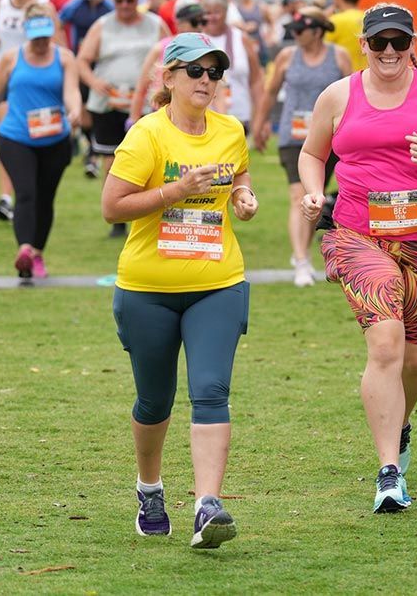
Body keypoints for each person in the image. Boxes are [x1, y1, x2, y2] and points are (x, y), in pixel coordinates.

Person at [298, 3, 417, 513]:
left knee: (416, 357)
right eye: (379, 42)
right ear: (364, 45)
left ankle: (399, 425)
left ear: (412, 44)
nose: (389, 51)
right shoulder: (338, 95)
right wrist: (313, 191)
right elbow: (312, 153)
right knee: (385, 344)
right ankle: (388, 473)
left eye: (399, 42)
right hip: (361, 236)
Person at [101, 32, 258, 549]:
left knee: (211, 391)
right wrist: (175, 191)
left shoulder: (230, 130)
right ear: (168, 78)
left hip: (218, 283)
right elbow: (112, 207)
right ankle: (149, 488)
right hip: (147, 289)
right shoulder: (146, 136)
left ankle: (207, 505)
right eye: (195, 70)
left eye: (215, 72)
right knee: (154, 400)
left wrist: (243, 197)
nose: (206, 80)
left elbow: (239, 175)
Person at [252, 6, 350, 287]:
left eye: (300, 30)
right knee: (298, 195)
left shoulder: (339, 56)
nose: (295, 35)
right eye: (292, 30)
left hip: (328, 139)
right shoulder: (287, 56)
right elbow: (271, 92)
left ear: (317, 31)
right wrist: (259, 125)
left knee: (313, 199)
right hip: (293, 138)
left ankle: (302, 255)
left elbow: (354, 93)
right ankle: (301, 261)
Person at [0, 7, 81, 282]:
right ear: (26, 33)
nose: (41, 42)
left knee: (45, 197)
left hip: (55, 139)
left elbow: (72, 91)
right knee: (26, 193)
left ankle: (37, 253)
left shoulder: (64, 58)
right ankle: (25, 249)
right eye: (36, 37)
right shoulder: (10, 58)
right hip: (16, 137)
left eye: (45, 36)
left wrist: (74, 110)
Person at [77, 0, 169, 237]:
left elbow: (170, 51)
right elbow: (82, 60)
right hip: (109, 103)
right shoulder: (102, 25)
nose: (125, 6)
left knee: (150, 160)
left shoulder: (155, 24)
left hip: (146, 105)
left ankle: (149, 212)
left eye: (130, 1)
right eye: (119, 1)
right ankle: (117, 219)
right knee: (111, 159)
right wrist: (94, 82)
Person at [0, 0, 59, 224]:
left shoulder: (42, 9)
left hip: (31, 79)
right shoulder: (1, 5)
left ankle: (16, 195)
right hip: (3, 76)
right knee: (1, 131)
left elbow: (58, 42)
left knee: (15, 134)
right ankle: (12, 194)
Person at [59, 0, 113, 179]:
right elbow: (58, 22)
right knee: (81, 110)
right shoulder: (74, 6)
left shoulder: (109, 7)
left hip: (102, 66)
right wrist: (63, 48)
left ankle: (93, 153)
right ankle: (91, 148)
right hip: (79, 64)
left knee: (98, 107)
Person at [128, 0, 206, 126]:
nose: (199, 27)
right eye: (194, 22)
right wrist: (133, 121)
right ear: (179, 24)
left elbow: (217, 92)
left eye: (203, 22)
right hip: (162, 117)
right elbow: (141, 87)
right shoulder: (161, 48)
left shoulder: (208, 52)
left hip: (194, 119)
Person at [201, 0, 263, 135]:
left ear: (226, 11)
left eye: (217, 12)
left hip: (239, 117)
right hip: (205, 119)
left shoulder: (241, 38)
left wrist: (261, 119)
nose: (212, 17)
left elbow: (256, 80)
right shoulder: (197, 40)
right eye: (208, 13)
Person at [325, 0, 367, 72]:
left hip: (346, 78)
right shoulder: (368, 17)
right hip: (366, 76)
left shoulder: (335, 21)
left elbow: (322, 52)